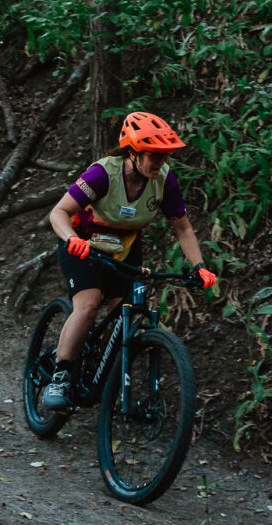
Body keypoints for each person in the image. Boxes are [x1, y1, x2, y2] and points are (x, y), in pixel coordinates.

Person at [43, 110, 217, 410]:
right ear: (133, 152)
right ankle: (60, 375)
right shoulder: (102, 174)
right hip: (83, 244)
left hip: (124, 249)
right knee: (88, 306)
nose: (161, 162)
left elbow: (183, 228)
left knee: (122, 317)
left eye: (165, 156)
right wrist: (71, 239)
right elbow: (59, 212)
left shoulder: (164, 180)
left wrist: (199, 267)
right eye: (154, 155)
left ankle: (100, 370)